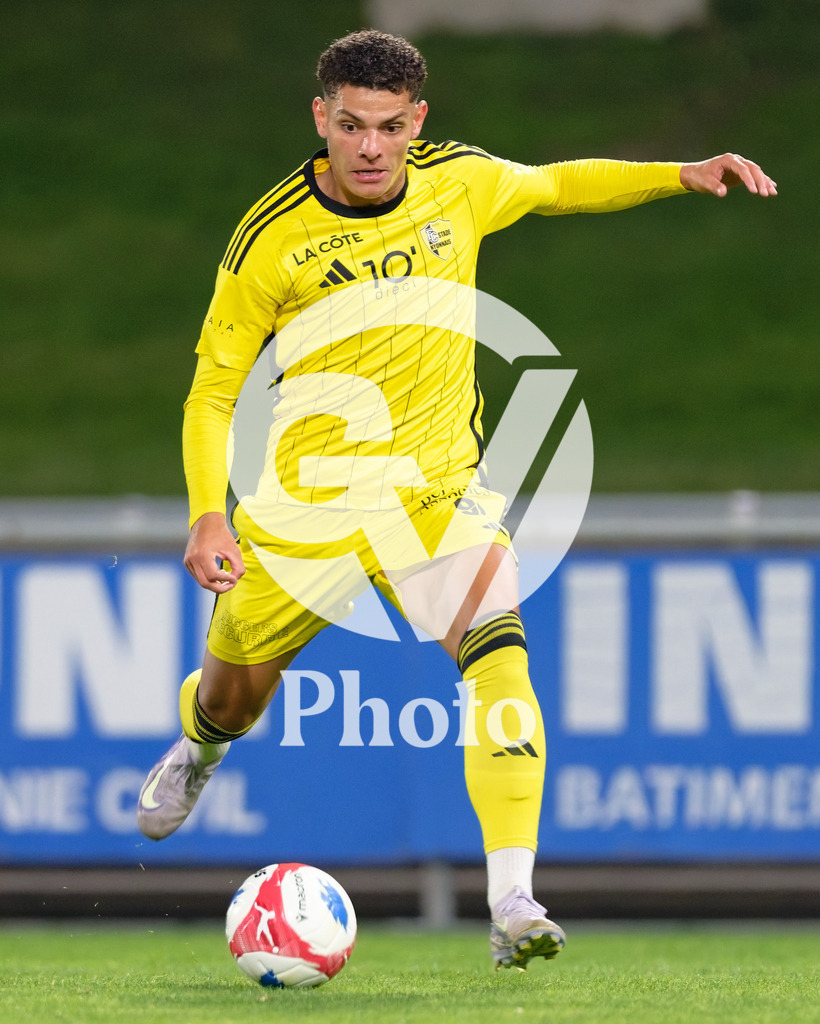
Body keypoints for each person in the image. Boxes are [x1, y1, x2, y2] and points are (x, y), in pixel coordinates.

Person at [136, 29, 776, 969]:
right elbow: (213, 388)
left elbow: (560, 183)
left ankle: (512, 899)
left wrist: (681, 172)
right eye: (350, 125)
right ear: (321, 118)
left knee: (499, 661)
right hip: (305, 511)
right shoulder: (271, 237)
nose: (368, 147)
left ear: (416, 123)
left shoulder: (460, 181)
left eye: (389, 127)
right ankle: (200, 745)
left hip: (436, 497)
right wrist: (207, 508)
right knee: (233, 695)